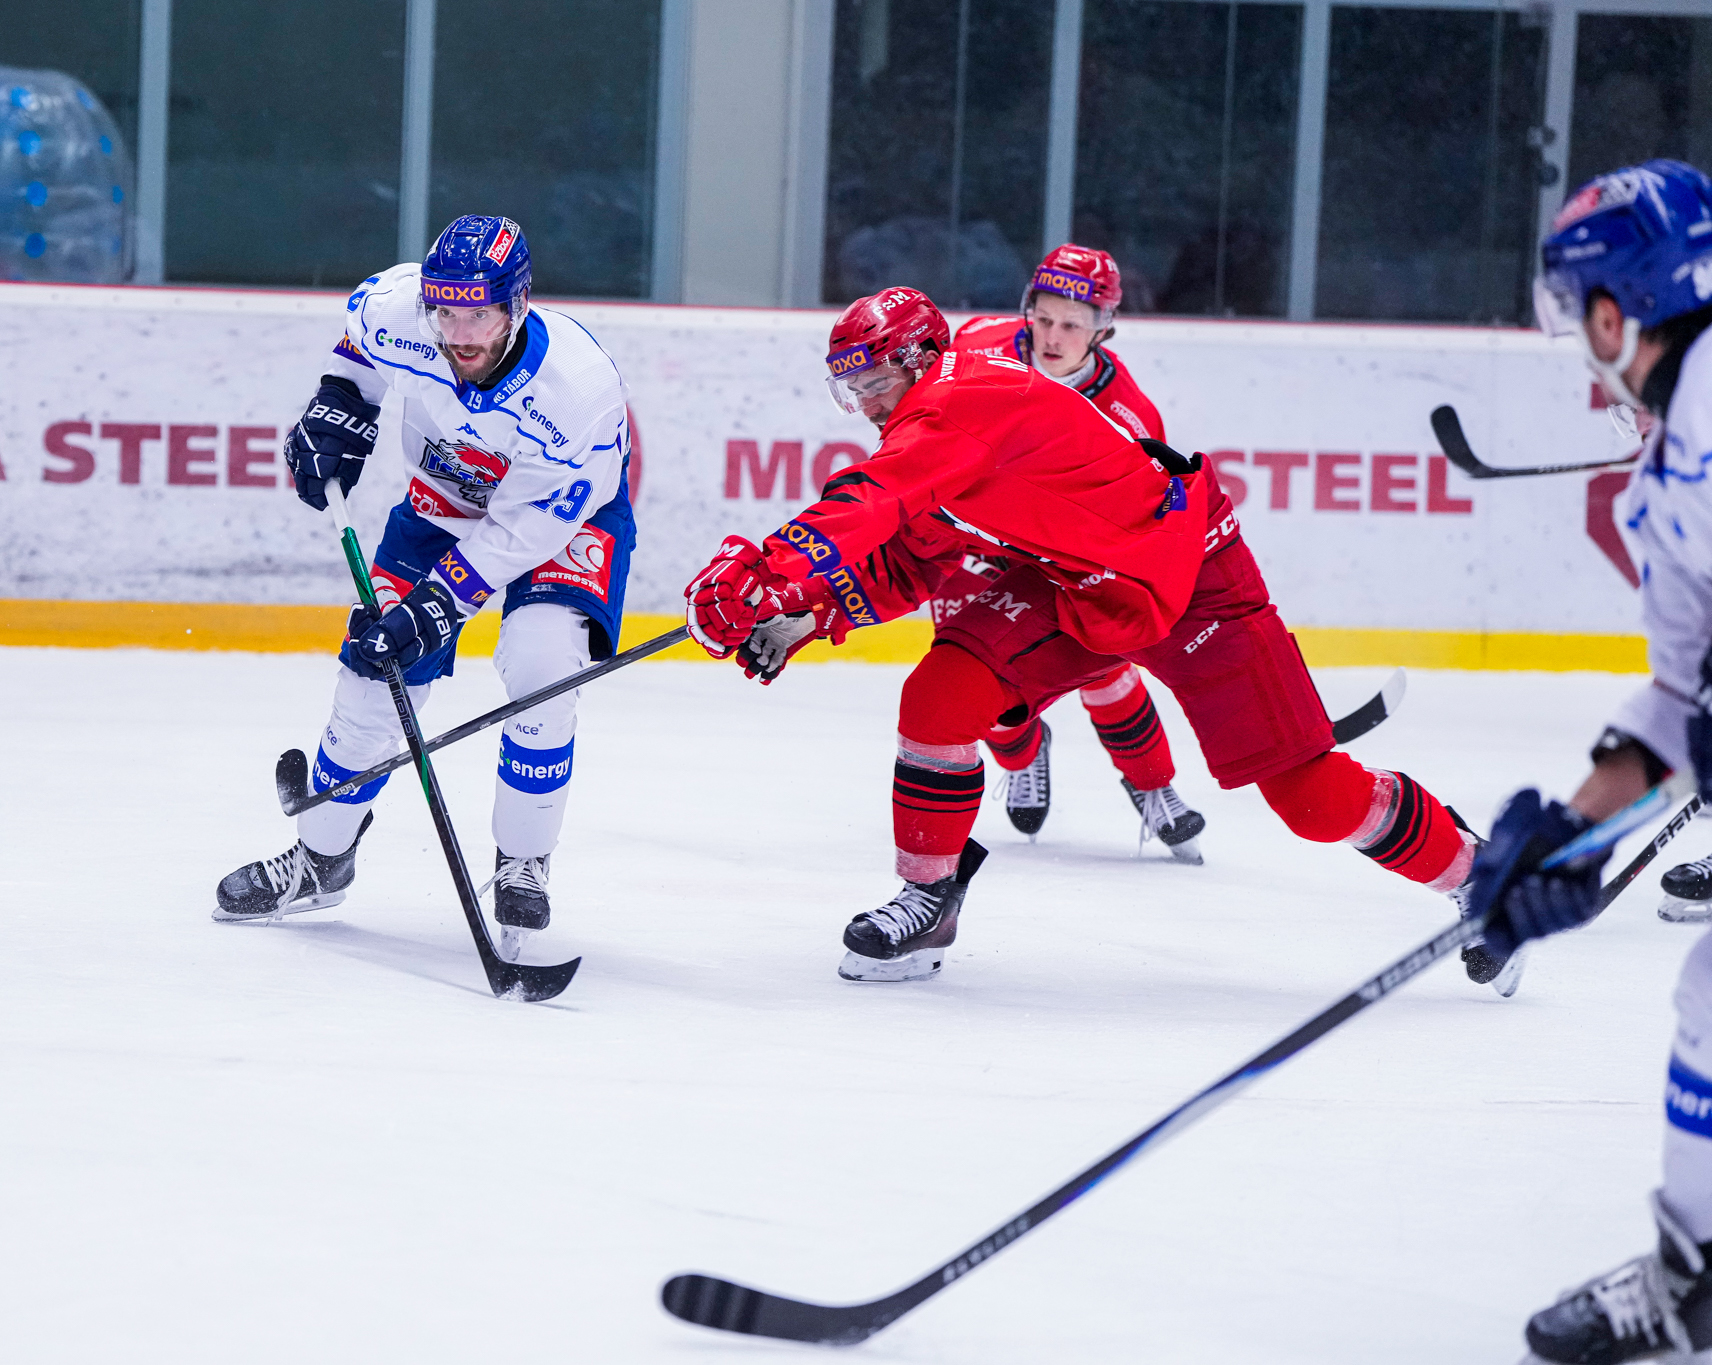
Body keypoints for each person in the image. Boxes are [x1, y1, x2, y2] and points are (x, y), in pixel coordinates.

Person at [687, 286, 1472, 983]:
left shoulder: (957, 401)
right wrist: (806, 611)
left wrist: (764, 569)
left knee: (1313, 801)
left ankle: (1477, 869)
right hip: (1075, 584)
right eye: (849, 388)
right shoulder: (934, 420)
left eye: (873, 381)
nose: (863, 403)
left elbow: (869, 500)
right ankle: (930, 899)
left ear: (919, 356)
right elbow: (914, 553)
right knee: (940, 696)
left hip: (1189, 573)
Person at [213, 215, 635, 960]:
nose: (459, 334)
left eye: (480, 316)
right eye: (446, 313)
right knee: (373, 674)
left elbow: (524, 532)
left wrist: (439, 604)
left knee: (543, 665)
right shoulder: (399, 309)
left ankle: (523, 860)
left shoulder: (577, 395)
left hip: (564, 520)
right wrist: (340, 407)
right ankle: (320, 858)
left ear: (518, 304)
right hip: (442, 503)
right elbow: (360, 349)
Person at [1456, 160, 1712, 1365]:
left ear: (1614, 312)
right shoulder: (1665, 478)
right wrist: (1565, 838)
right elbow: (1675, 699)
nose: (1577, 348)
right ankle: (1695, 1278)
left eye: (1576, 315)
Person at [943, 244, 1205, 859]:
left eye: (1072, 324)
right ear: (1027, 310)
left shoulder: (1129, 414)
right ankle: (1025, 754)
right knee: (975, 681)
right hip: (974, 541)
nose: (1053, 337)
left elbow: (1142, 516)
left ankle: (1153, 785)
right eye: (1044, 319)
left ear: (1102, 328)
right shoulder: (976, 347)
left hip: (1063, 553)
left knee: (1106, 666)